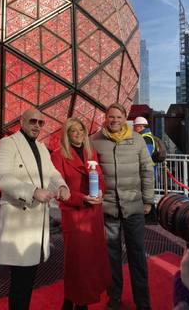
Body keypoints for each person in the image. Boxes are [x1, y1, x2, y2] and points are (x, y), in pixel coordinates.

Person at [0, 108, 70, 310]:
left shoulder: (41, 148)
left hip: (37, 221)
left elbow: (52, 173)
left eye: (40, 123)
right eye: (33, 121)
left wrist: (61, 185)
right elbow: (2, 177)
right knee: (20, 281)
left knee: (27, 279)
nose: (37, 125)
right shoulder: (7, 144)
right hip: (19, 219)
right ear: (22, 121)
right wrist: (33, 191)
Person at [91, 103, 155, 310]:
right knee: (112, 257)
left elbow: (146, 170)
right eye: (111, 117)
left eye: (118, 117)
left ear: (125, 118)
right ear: (105, 117)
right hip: (108, 208)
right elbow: (89, 171)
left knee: (137, 256)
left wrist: (148, 200)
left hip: (134, 207)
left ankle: (142, 302)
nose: (115, 121)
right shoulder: (95, 141)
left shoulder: (137, 140)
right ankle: (114, 298)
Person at [51, 118, 112, 310]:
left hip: (93, 214)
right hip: (75, 215)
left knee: (92, 260)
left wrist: (101, 191)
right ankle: (74, 300)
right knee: (76, 262)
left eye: (81, 130)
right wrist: (81, 198)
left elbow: (100, 177)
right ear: (67, 135)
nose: (78, 134)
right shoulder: (58, 155)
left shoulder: (90, 151)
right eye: (73, 131)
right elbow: (59, 190)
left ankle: (78, 300)